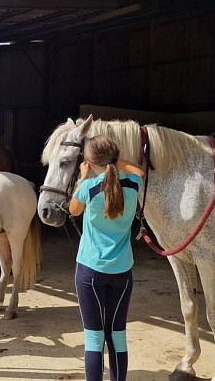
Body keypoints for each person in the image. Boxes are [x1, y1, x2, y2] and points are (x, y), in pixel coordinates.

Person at [68, 135, 145, 381]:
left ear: (89, 161)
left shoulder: (88, 188)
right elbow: (140, 173)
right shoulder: (133, 185)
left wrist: (82, 176)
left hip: (90, 270)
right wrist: (116, 161)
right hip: (122, 271)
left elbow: (73, 210)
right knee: (117, 334)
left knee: (94, 336)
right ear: (115, 156)